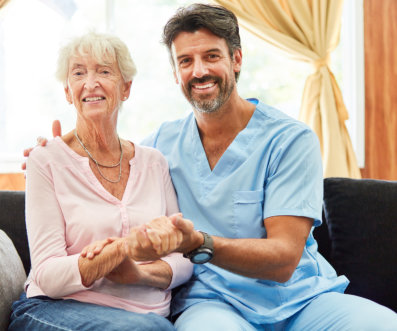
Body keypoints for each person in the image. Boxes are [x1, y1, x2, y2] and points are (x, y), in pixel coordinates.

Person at [25, 4, 397, 331]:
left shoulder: (291, 140)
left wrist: (199, 243)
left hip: (302, 301)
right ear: (175, 74)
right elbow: (106, 156)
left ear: (236, 59)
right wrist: (52, 153)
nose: (199, 71)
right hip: (212, 305)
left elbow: (284, 259)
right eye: (185, 61)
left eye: (211, 56)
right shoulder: (160, 147)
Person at [10, 31, 193, 331]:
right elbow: (48, 276)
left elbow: (183, 257)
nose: (90, 83)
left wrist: (138, 273)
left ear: (126, 88)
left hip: (148, 317)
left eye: (104, 71)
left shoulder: (154, 162)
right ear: (68, 92)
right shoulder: (47, 160)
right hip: (59, 308)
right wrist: (119, 251)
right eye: (78, 73)